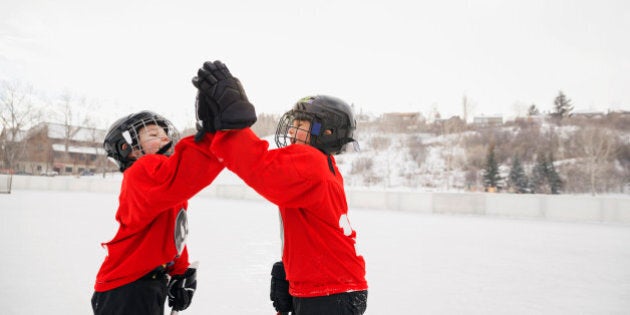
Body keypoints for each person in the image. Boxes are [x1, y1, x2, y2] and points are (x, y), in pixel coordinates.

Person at [192, 60, 368, 315]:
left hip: (329, 292)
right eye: (294, 122)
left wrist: (230, 122)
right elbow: (315, 229)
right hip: (332, 286)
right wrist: (292, 270)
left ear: (327, 131)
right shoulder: (324, 163)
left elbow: (260, 167)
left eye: (301, 124)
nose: (293, 129)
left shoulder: (311, 162)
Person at [91, 108, 254, 314]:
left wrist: (180, 270)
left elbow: (172, 233)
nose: (163, 138)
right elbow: (189, 170)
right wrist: (214, 135)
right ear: (127, 149)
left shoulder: (166, 181)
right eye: (152, 134)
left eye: (164, 134)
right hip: (127, 288)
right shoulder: (141, 172)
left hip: (147, 284)